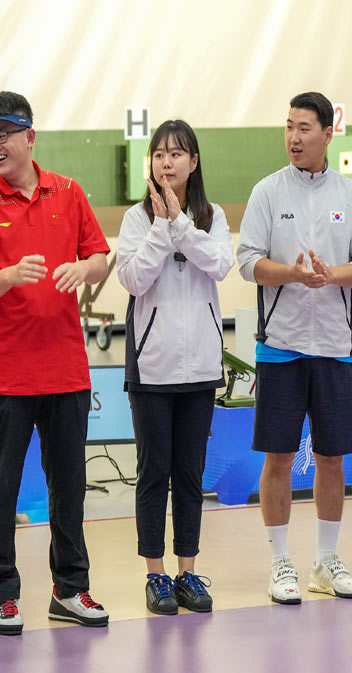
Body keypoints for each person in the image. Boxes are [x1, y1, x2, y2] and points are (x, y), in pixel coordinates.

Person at [0, 91, 110, 634]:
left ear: (30, 136)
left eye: (3, 134)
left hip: (66, 370)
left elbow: (99, 256)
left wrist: (82, 270)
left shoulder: (67, 193)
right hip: (6, 375)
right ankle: (2, 593)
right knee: (0, 488)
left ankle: (71, 588)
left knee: (69, 484)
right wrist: (10, 276)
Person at [236, 91, 352, 604]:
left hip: (336, 349)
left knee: (332, 458)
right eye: (289, 127)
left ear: (327, 133)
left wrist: (331, 276)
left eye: (304, 128)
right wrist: (292, 274)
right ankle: (280, 563)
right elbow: (247, 260)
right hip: (281, 346)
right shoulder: (267, 193)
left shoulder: (351, 195)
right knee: (278, 457)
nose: (294, 137)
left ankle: (326, 560)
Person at [115, 120, 233, 615]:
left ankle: (188, 573)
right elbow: (133, 279)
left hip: (200, 367)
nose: (167, 163)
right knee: (152, 473)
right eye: (159, 155)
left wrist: (181, 222)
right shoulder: (136, 219)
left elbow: (220, 264)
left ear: (194, 162)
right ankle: (156, 575)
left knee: (190, 473)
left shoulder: (213, 215)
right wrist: (163, 227)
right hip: (153, 369)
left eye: (176, 154)